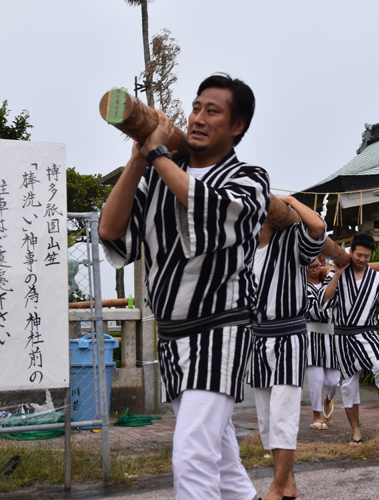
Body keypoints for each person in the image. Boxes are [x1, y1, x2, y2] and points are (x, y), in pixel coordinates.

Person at [99, 74, 267, 500]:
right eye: (195, 108)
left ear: (237, 126)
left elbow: (207, 209)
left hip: (220, 332)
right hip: (172, 338)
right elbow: (111, 231)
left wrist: (158, 153)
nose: (198, 118)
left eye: (212, 111)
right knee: (222, 464)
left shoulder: (250, 179)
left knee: (192, 456)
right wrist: (138, 160)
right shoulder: (156, 175)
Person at [248, 195, 326, 500]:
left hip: (288, 336)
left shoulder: (292, 238)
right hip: (257, 338)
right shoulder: (244, 248)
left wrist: (291, 201)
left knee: (283, 412)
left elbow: (317, 227)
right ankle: (289, 483)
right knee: (267, 419)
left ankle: (278, 488)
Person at [321, 232, 379, 445]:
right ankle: (356, 432)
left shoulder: (377, 278)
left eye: (367, 256)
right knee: (349, 386)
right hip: (342, 337)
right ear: (351, 252)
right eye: (359, 255)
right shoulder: (336, 273)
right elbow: (324, 299)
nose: (362, 259)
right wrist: (337, 274)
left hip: (367, 333)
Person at [304, 258, 341, 429]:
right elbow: (314, 311)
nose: (315, 269)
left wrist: (334, 274)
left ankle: (328, 399)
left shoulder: (330, 282)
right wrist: (333, 277)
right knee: (316, 380)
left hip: (331, 338)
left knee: (333, 381)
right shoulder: (302, 287)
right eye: (311, 267)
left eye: (317, 266)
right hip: (311, 337)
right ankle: (316, 416)